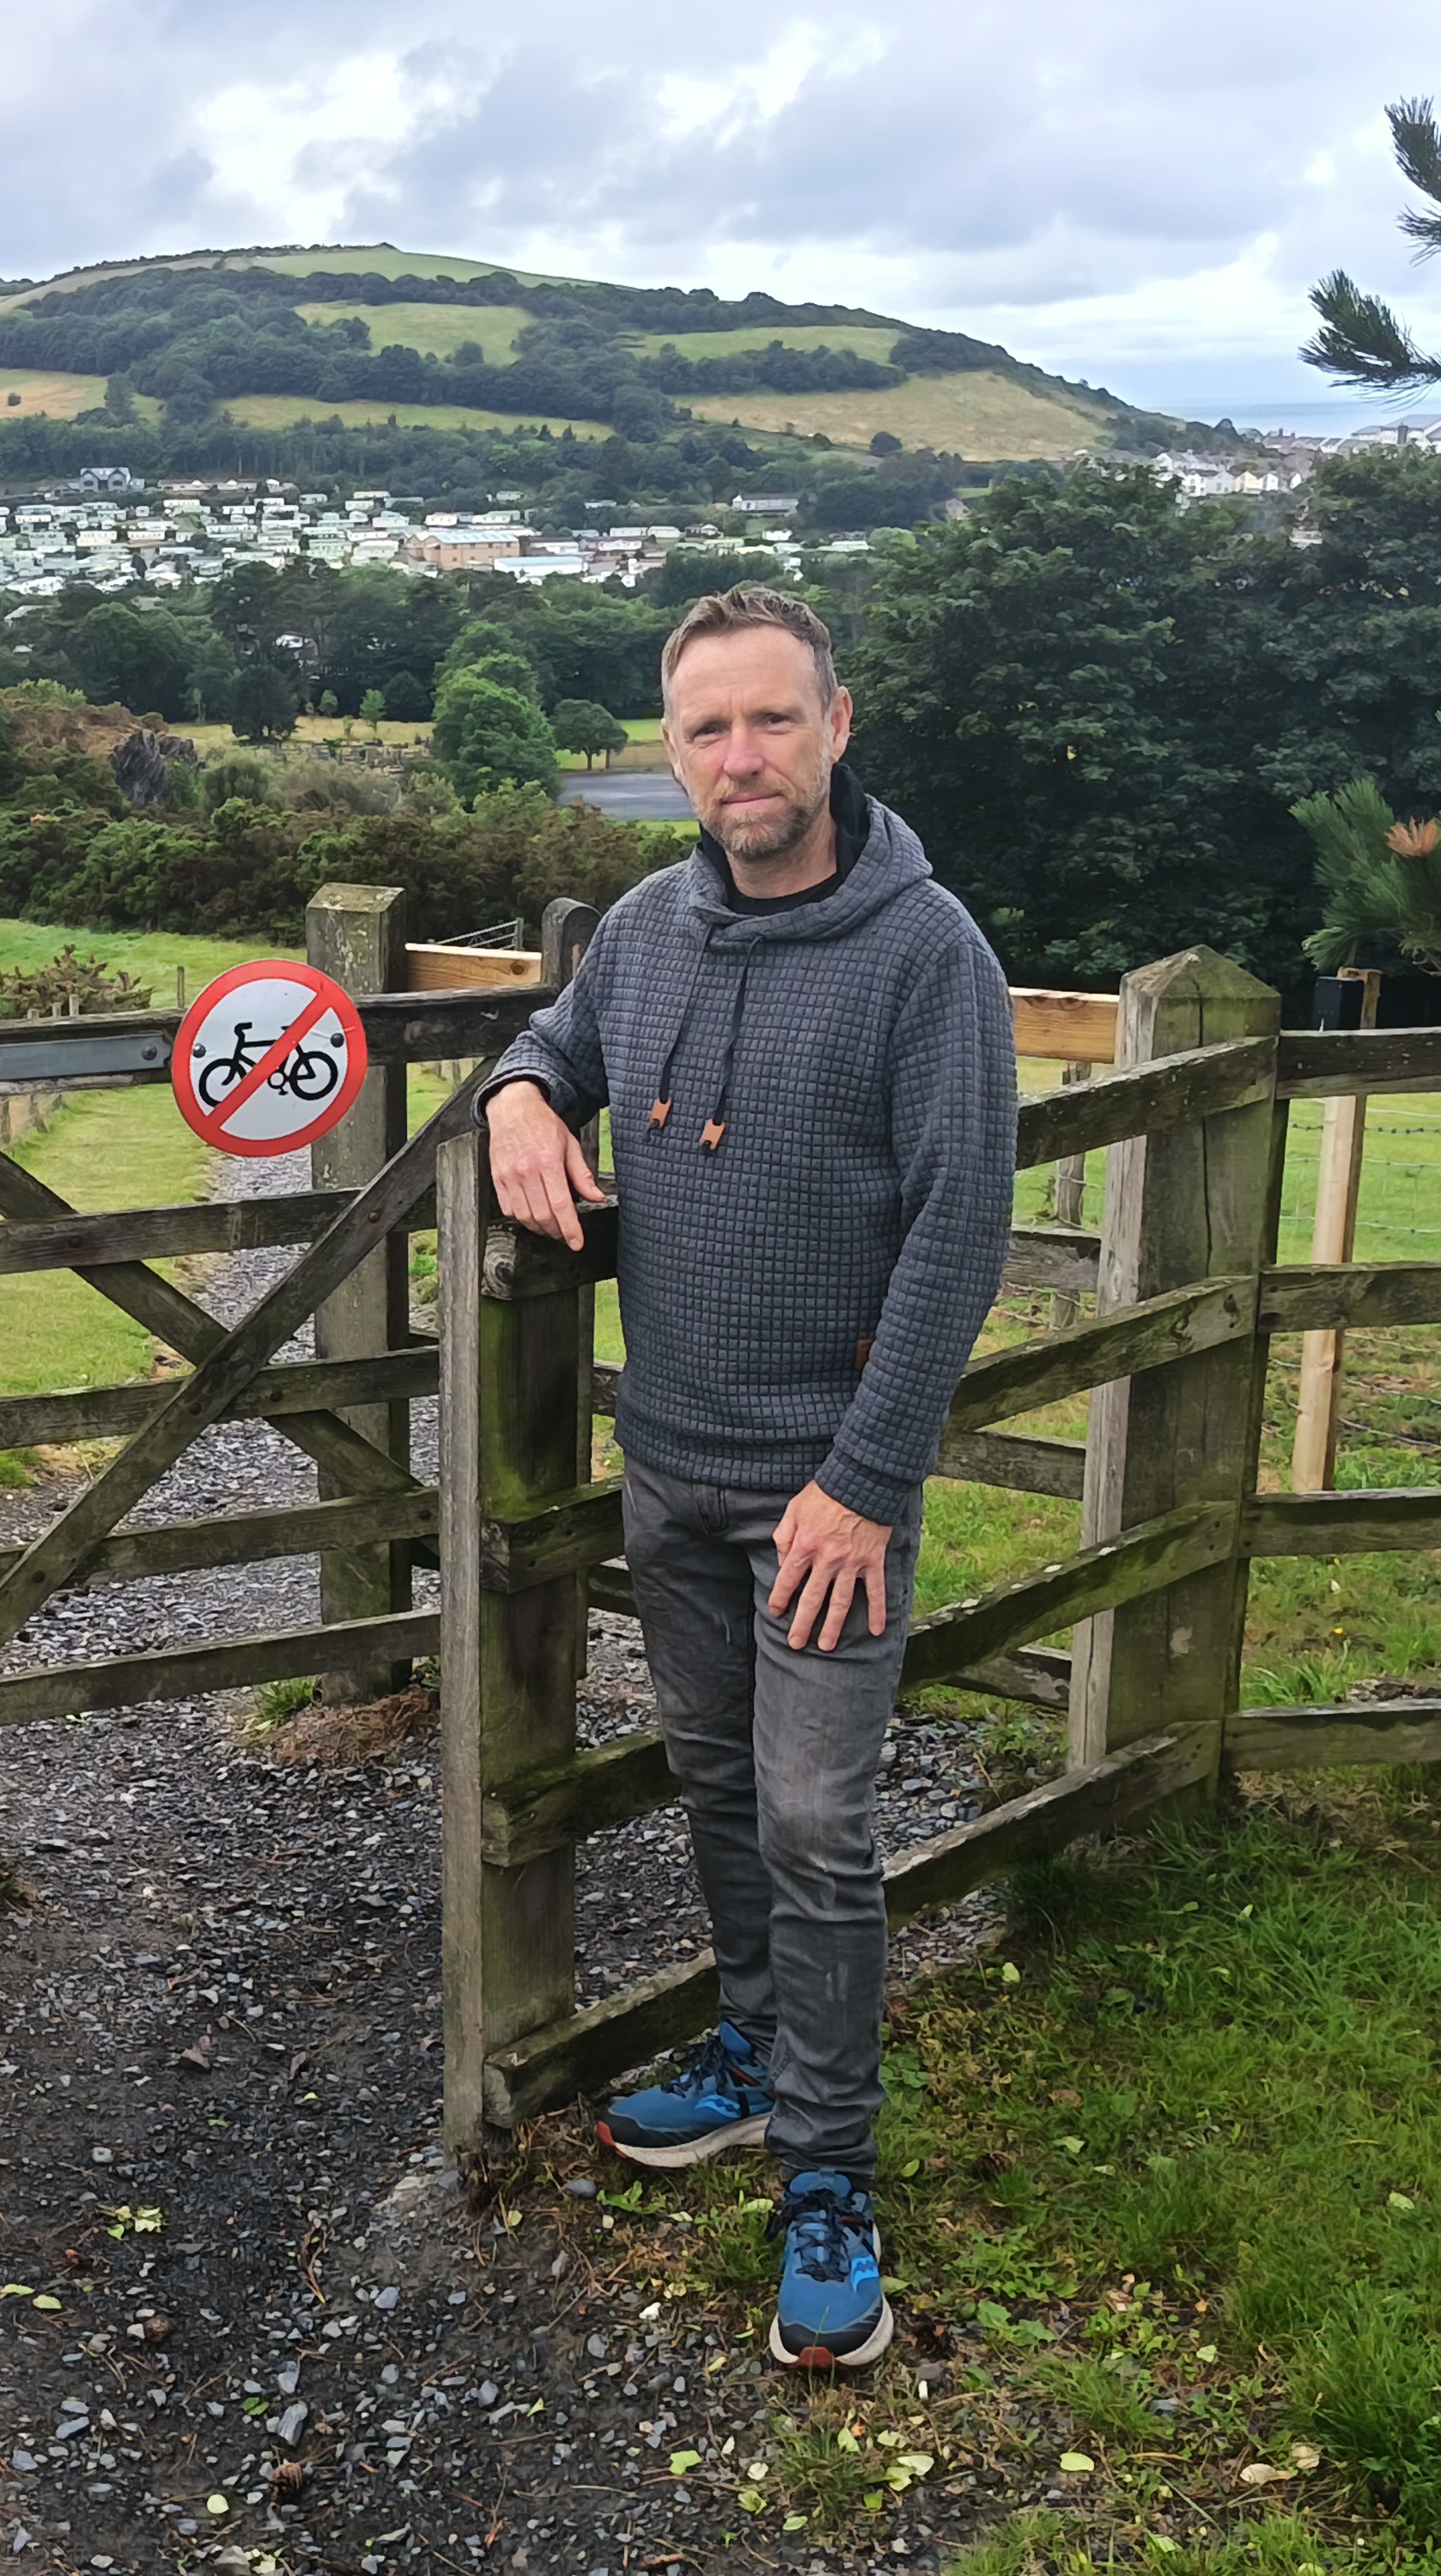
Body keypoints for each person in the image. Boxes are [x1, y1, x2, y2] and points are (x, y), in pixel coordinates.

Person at [479, 586, 1013, 2372]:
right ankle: (757, 2046)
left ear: (836, 727)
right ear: (673, 749)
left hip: (825, 1494)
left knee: (813, 1822)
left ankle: (828, 2171)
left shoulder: (926, 954)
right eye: (705, 729)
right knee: (715, 1780)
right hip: (674, 1468)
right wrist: (515, 1099)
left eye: (770, 720)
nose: (739, 758)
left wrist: (866, 1480)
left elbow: (959, 1232)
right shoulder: (645, 930)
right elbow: (550, 1046)